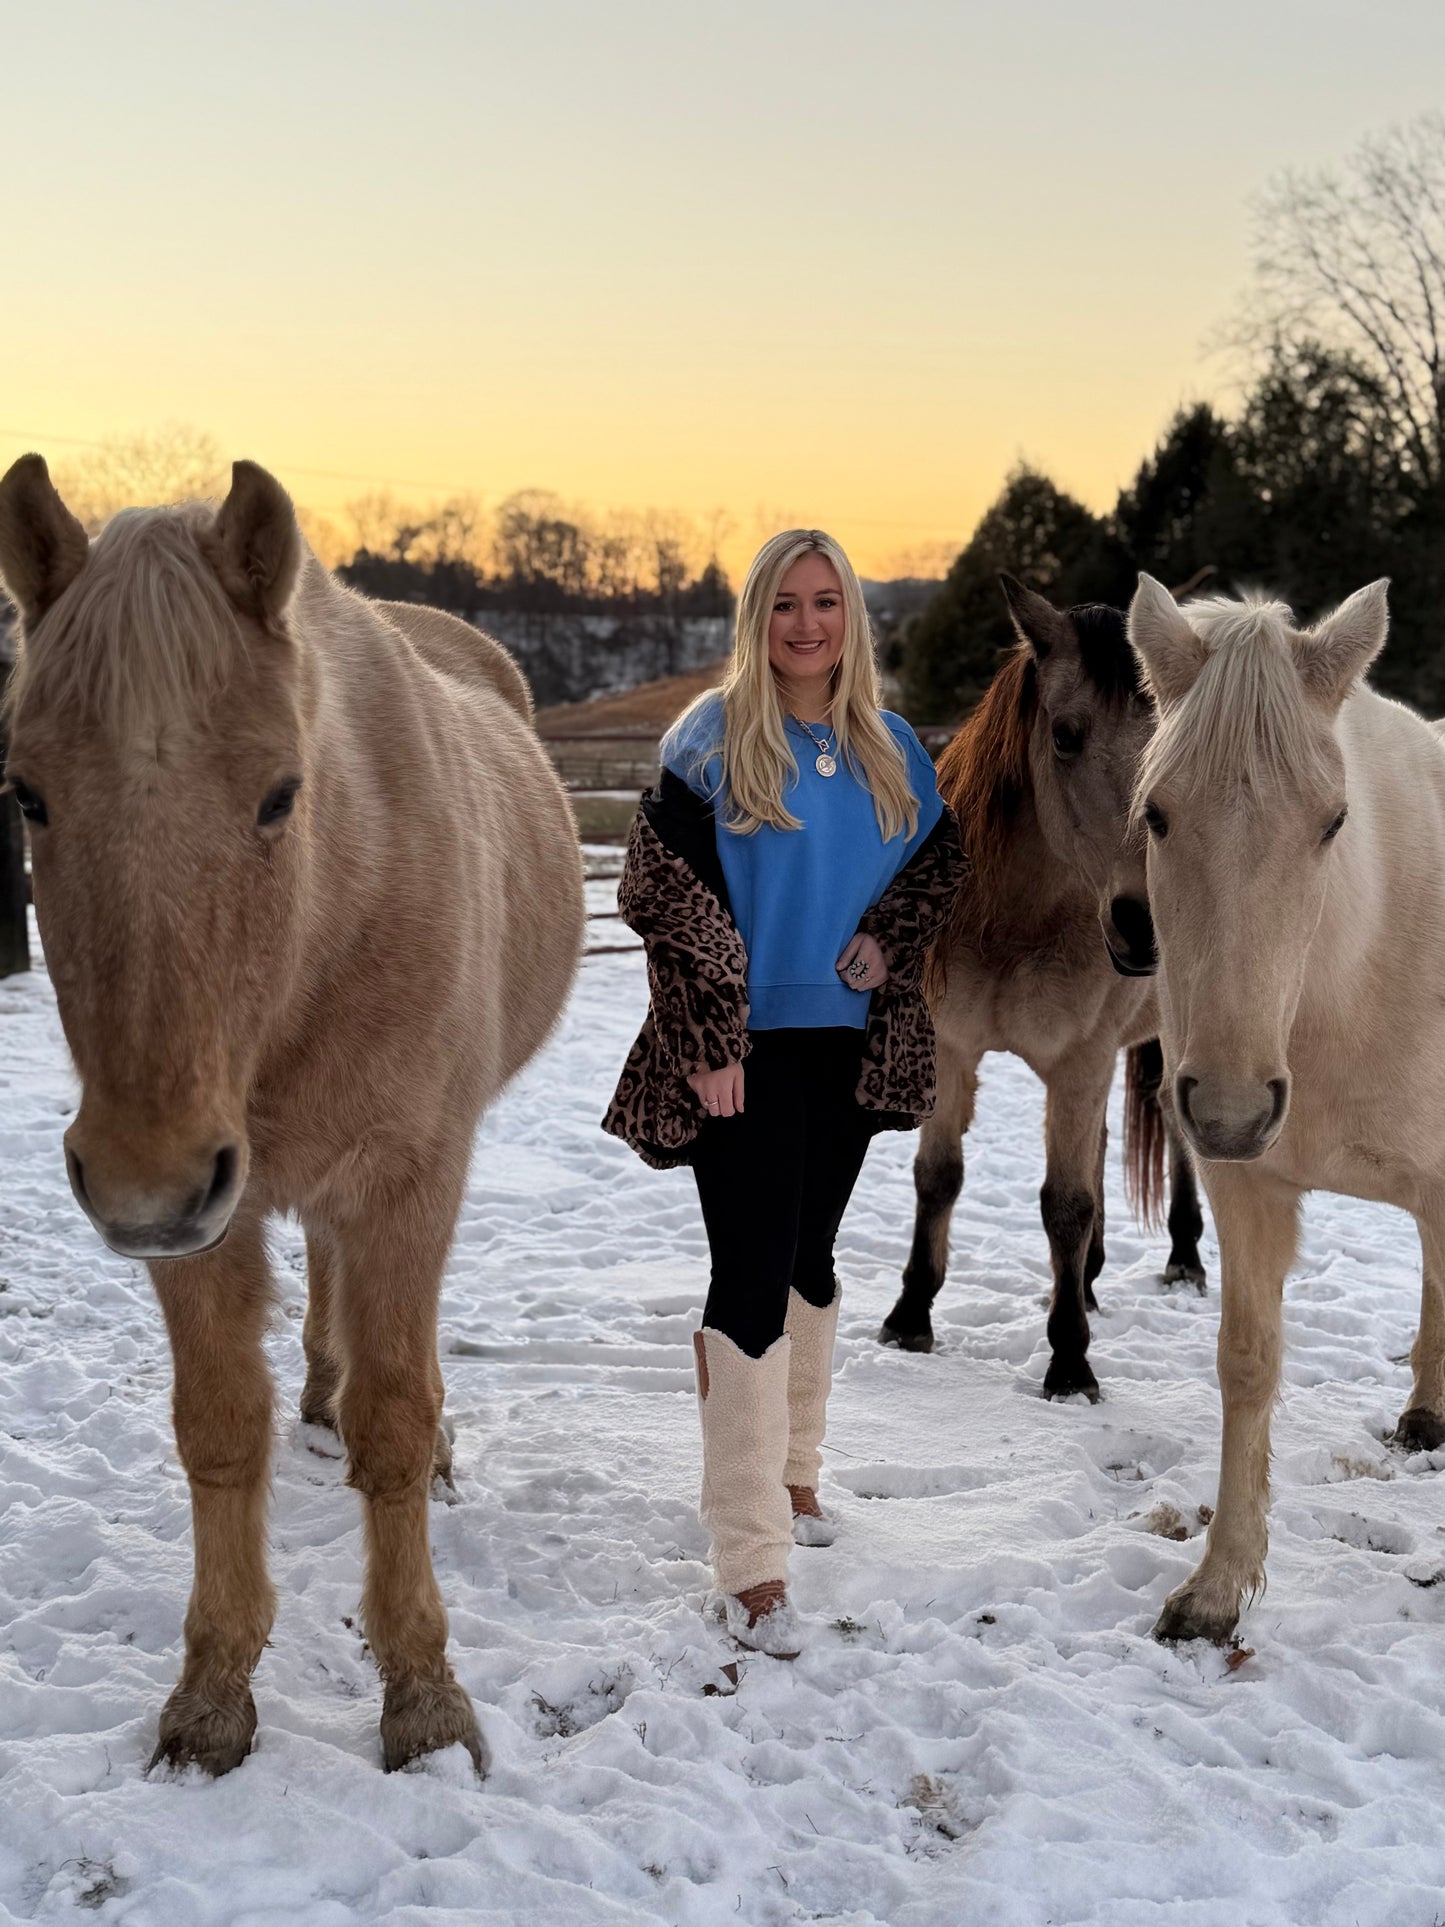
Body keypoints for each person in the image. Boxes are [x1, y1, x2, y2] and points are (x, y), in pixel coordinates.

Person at [603, 529, 967, 1654]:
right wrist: (710, 1042)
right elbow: (659, 897)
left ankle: (792, 1473)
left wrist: (886, 935)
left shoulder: (893, 748)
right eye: (784, 605)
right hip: (743, 1052)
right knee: (750, 1276)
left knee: (808, 1259)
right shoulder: (708, 741)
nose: (806, 624)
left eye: (827, 603)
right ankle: (749, 1552)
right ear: (755, 618)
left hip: (850, 1052)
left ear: (852, 618)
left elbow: (940, 869)